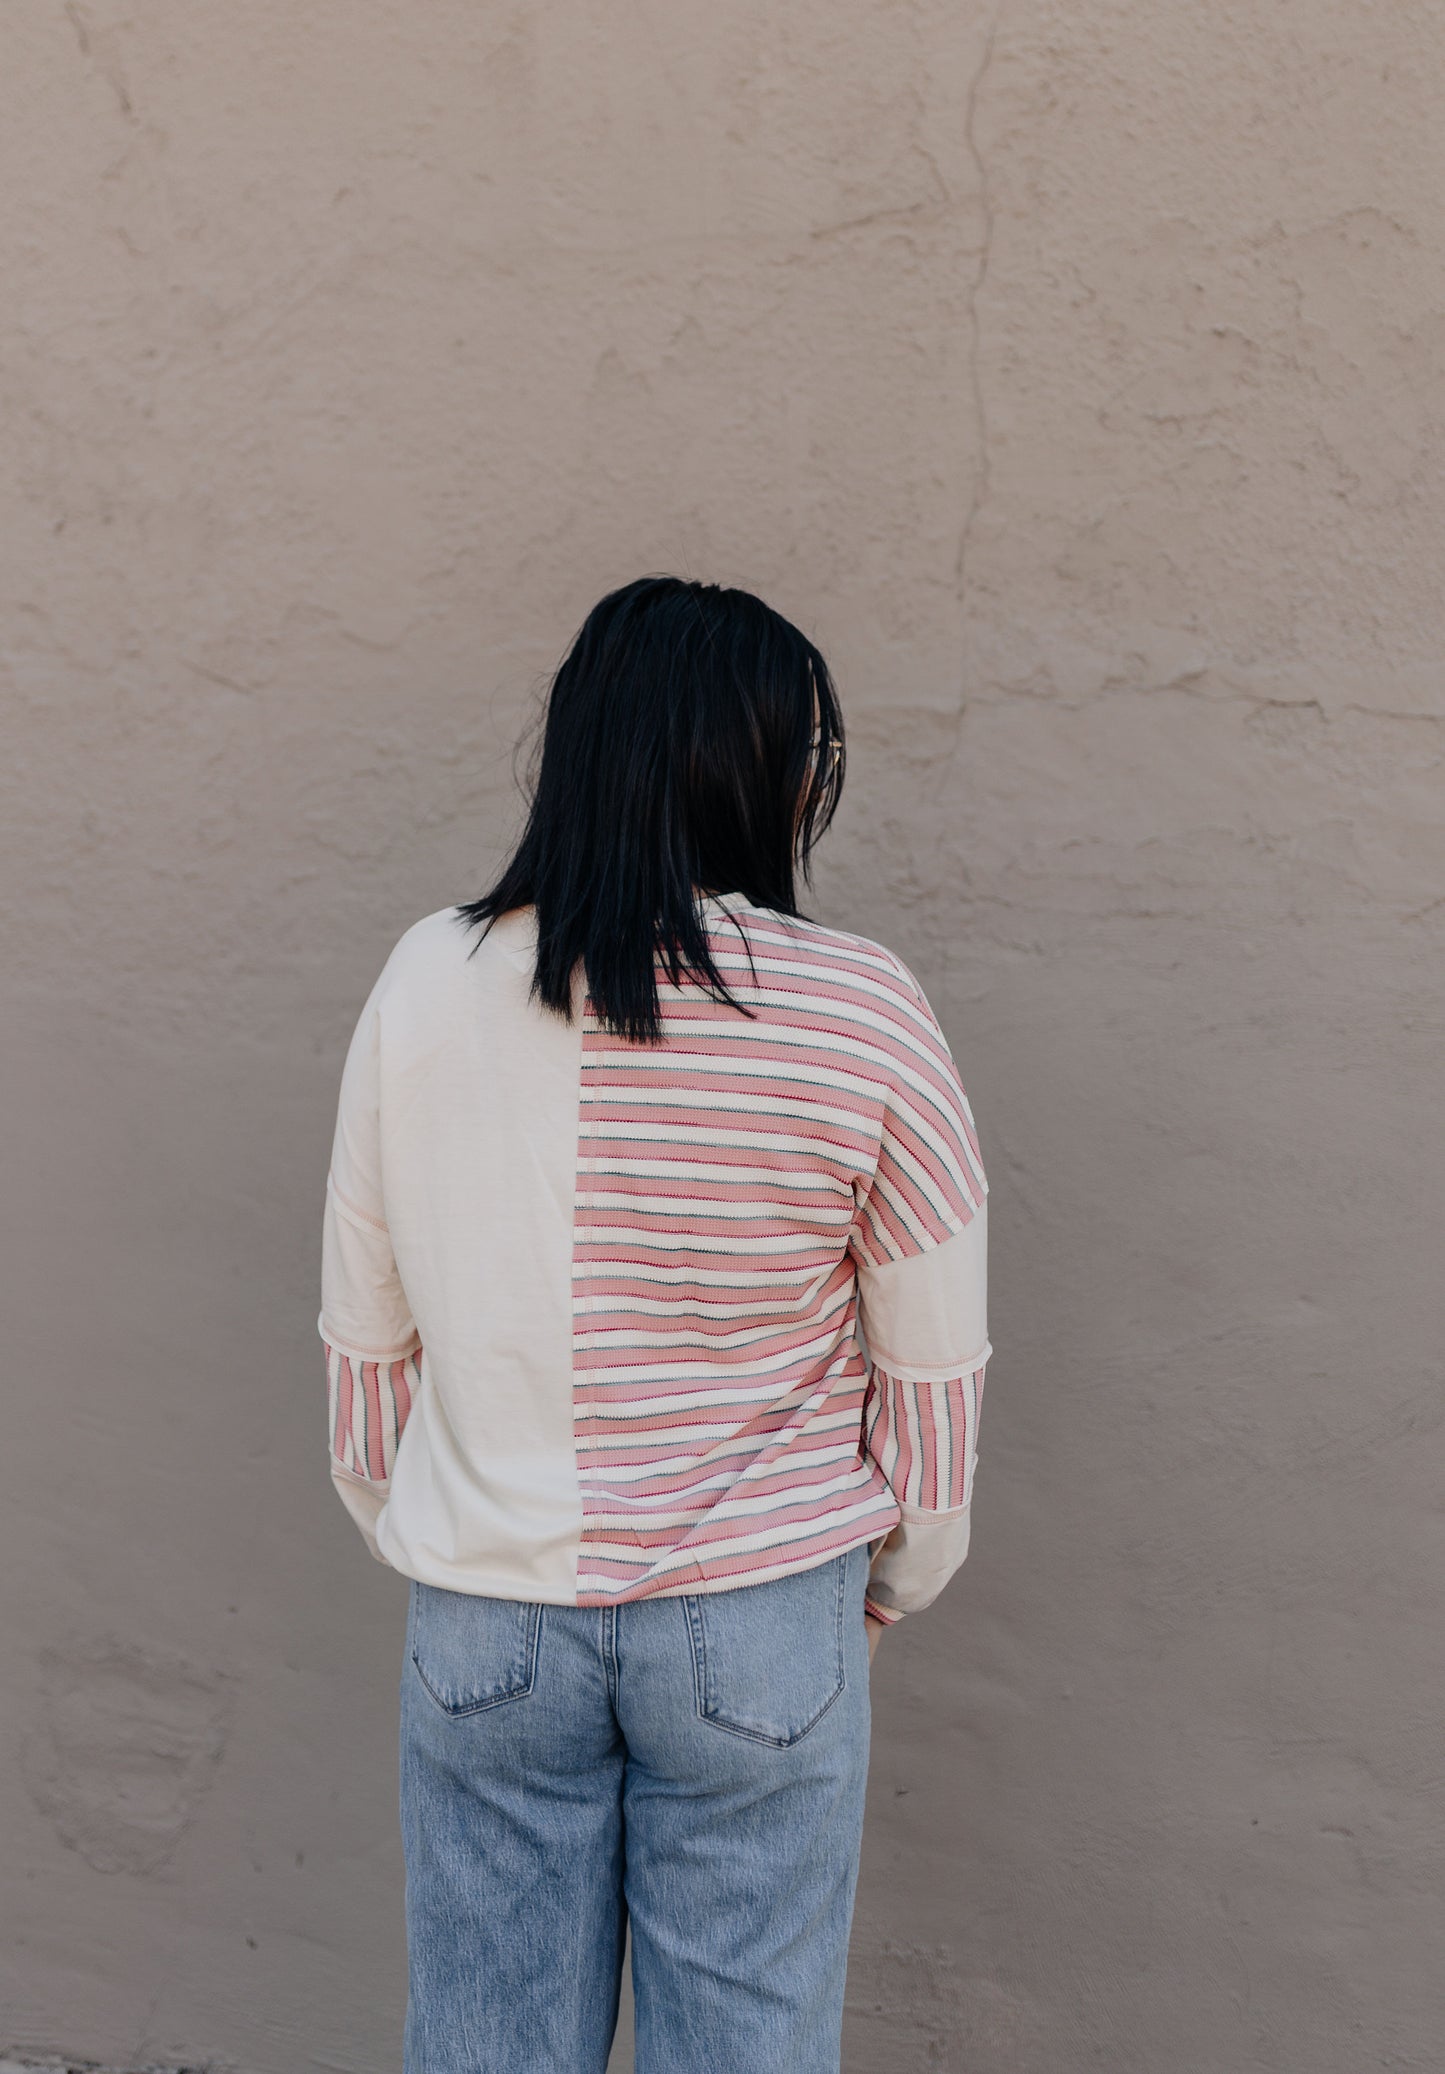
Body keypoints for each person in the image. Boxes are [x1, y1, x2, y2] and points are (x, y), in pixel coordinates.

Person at [317, 575, 991, 2073]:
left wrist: (429, 1528)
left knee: (485, 2044)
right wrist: (893, 1579)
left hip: (487, 1610)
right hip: (762, 1615)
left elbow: (365, 1345)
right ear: (761, 766)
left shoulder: (426, 978)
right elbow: (930, 1362)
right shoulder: (860, 1004)